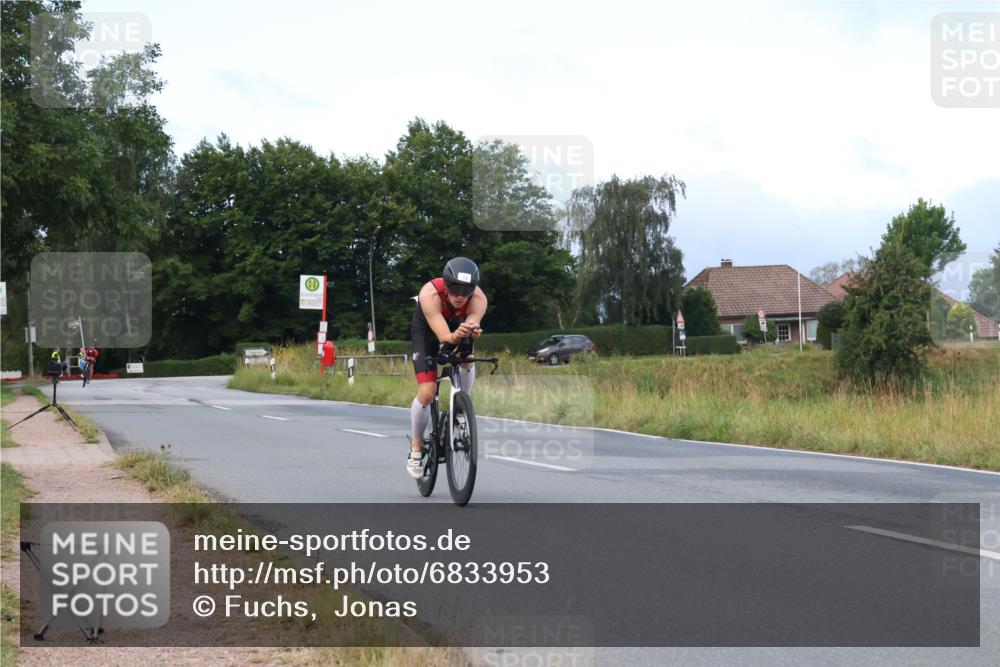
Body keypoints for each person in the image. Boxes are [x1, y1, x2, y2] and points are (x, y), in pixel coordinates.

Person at [407, 257, 487, 479]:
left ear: (473, 290)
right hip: (428, 330)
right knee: (427, 392)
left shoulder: (479, 298)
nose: (460, 296)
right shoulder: (429, 295)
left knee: (468, 355)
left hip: (457, 328)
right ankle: (416, 447)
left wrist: (471, 330)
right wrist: (454, 336)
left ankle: (462, 405)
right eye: (454, 290)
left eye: (466, 291)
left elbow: (472, 322)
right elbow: (444, 336)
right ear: (446, 284)